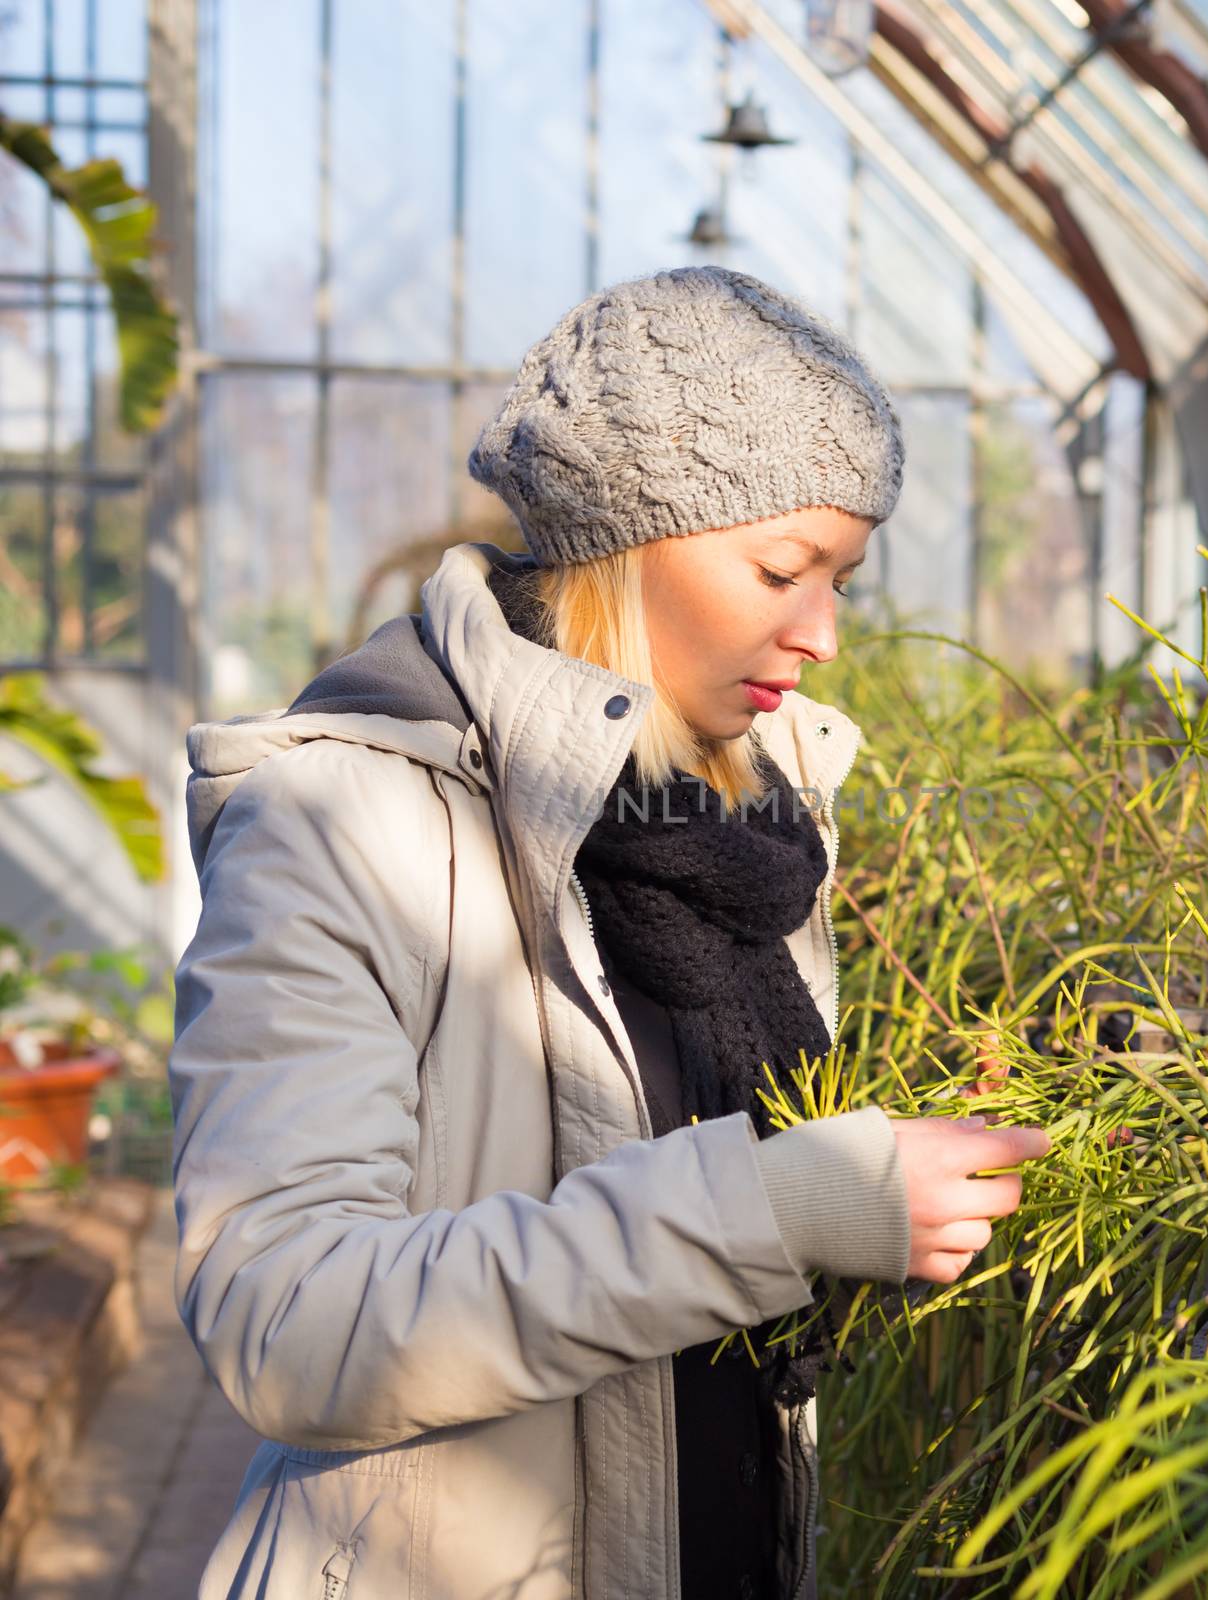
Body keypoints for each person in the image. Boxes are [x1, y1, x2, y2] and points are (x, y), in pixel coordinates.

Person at [168, 264, 1051, 1600]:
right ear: (630, 541)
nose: (818, 635)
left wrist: (891, 1196)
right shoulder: (341, 823)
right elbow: (286, 1319)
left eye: (843, 583)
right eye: (780, 568)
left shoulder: (758, 823)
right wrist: (781, 1205)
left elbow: (708, 1241)